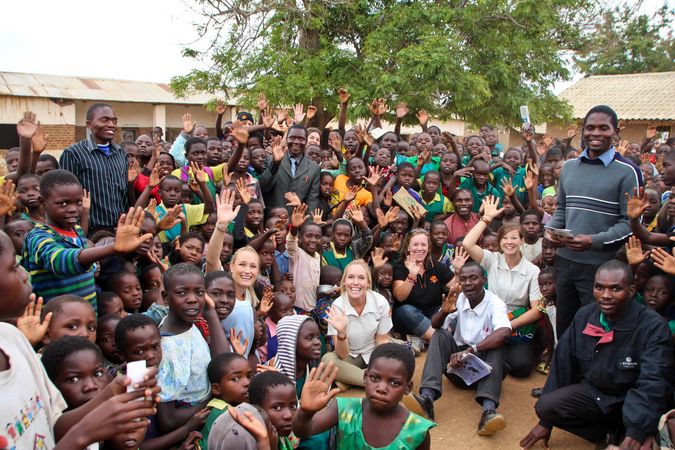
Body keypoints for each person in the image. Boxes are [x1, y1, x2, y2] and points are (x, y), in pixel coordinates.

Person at [0, 229, 161, 450]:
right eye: (14, 267)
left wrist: (110, 395)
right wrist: (84, 434)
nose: (25, 274)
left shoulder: (13, 340)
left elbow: (52, 425)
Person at [520, 260, 675, 450]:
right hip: (597, 395)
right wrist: (546, 422)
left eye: (616, 289)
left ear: (632, 291)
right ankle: (608, 431)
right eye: (599, 287)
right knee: (546, 406)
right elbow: (563, 365)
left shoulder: (653, 326)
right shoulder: (585, 315)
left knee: (644, 437)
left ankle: (626, 430)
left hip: (631, 398)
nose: (606, 296)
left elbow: (654, 382)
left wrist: (637, 432)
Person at [544, 105, 642, 336]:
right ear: (583, 131)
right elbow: (563, 209)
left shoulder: (628, 172)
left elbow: (629, 224)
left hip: (601, 267)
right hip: (565, 262)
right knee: (565, 326)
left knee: (596, 329)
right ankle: (565, 371)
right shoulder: (568, 168)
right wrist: (551, 231)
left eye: (603, 128)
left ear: (616, 132)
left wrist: (594, 241)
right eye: (590, 128)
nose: (595, 133)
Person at [21, 170, 153, 311]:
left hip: (86, 318)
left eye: (77, 202)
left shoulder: (76, 231)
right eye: (62, 203)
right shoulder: (38, 237)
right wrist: (113, 248)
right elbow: (60, 261)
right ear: (43, 202)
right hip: (56, 322)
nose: (73, 209)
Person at [405, 263, 512, 434]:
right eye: (463, 279)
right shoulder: (459, 297)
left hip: (487, 373)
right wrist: (444, 312)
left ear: (484, 280)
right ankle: (427, 399)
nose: (468, 283)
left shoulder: (495, 303)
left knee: (497, 345)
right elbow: (435, 325)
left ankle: (488, 412)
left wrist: (472, 350)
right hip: (457, 370)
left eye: (473, 278)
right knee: (439, 334)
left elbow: (505, 332)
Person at [293, 345, 436, 450]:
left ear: (408, 387)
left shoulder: (417, 431)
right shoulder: (345, 409)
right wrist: (306, 412)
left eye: (394, 383)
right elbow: (303, 431)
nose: (381, 388)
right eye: (375, 378)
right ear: (365, 376)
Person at [461, 196, 542, 378]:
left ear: (522, 240)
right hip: (489, 319)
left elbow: (537, 310)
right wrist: (486, 219)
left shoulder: (532, 271)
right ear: (500, 242)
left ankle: (500, 355)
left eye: (514, 237)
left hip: (515, 324)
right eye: (505, 238)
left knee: (521, 369)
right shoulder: (491, 259)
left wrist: (506, 326)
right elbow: (467, 243)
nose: (509, 242)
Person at [60, 103, 130, 238]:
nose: (111, 125)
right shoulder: (73, 153)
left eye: (114, 121)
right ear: (89, 124)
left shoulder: (120, 153)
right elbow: (65, 195)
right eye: (104, 120)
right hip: (90, 232)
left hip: (120, 231)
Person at [321, 260, 392, 390]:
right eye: (351, 277)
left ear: (368, 283)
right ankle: (375, 382)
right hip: (350, 356)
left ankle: (349, 379)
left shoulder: (381, 302)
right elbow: (342, 354)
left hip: (373, 352)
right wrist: (341, 334)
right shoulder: (337, 307)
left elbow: (381, 340)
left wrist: (387, 359)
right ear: (344, 282)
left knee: (399, 355)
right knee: (327, 361)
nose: (355, 282)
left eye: (361, 278)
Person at [392, 229, 460, 355]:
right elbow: (400, 297)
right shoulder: (401, 267)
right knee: (407, 310)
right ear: (407, 247)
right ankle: (442, 341)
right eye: (415, 244)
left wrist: (458, 271)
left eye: (423, 244)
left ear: (428, 247)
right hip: (408, 317)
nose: (420, 248)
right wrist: (411, 275)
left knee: (452, 312)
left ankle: (421, 337)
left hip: (433, 315)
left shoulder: (435, 265)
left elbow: (456, 286)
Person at [259, 125, 322, 216]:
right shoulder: (271, 160)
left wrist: (307, 226)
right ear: (287, 139)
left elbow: (312, 200)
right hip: (273, 220)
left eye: (301, 139)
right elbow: (264, 187)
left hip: (298, 222)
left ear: (306, 141)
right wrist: (275, 164)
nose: (296, 142)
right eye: (292, 138)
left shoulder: (314, 168)